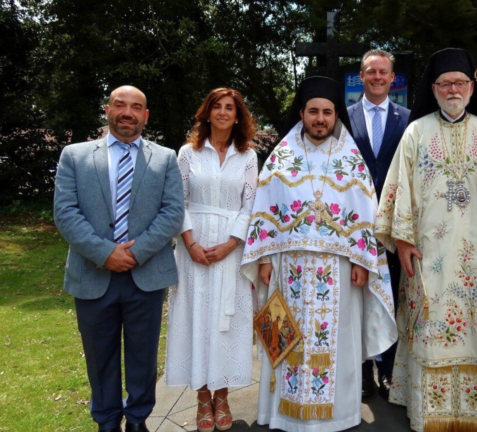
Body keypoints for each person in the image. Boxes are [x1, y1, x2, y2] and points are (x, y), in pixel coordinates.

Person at [240, 76, 397, 432]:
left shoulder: (350, 159)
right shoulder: (282, 155)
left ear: (335, 115)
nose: (320, 119)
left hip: (338, 268)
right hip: (288, 265)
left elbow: (364, 214)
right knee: (286, 336)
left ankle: (339, 416)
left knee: (335, 339)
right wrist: (264, 258)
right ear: (302, 113)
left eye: (327, 112)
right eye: (314, 111)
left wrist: (362, 260)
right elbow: (265, 208)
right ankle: (284, 414)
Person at [375, 47, 477, 432]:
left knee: (474, 328)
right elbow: (398, 189)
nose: (453, 89)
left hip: (474, 254)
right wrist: (401, 241)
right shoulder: (417, 132)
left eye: (460, 83)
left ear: (472, 87)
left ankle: (475, 415)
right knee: (431, 325)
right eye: (445, 83)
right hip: (428, 252)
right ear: (433, 88)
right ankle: (429, 415)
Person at [53, 85, 184, 432]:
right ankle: (107, 421)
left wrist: (134, 253)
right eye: (120, 105)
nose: (128, 112)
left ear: (145, 116)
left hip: (146, 274)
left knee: (143, 357)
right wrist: (105, 253)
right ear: (107, 110)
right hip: (92, 274)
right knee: (100, 358)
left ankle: (138, 419)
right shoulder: (75, 156)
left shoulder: (165, 158)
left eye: (136, 107)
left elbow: (172, 214)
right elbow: (65, 213)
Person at [165, 88, 260, 432]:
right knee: (197, 319)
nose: (222, 112)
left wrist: (232, 243)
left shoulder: (247, 156)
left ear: (238, 116)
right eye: (216, 107)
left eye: (229, 108)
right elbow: (178, 201)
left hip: (230, 249)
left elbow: (250, 205)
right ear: (207, 113)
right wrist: (189, 243)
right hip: (193, 248)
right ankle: (202, 398)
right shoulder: (188, 153)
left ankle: (223, 396)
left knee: (226, 322)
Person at [346, 48, 411, 399]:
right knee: (356, 296)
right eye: (370, 72)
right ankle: (359, 372)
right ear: (362, 76)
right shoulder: (345, 116)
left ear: (392, 77)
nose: (377, 77)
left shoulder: (408, 119)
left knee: (391, 294)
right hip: (353, 225)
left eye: (383, 72)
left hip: (392, 226)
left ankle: (388, 369)